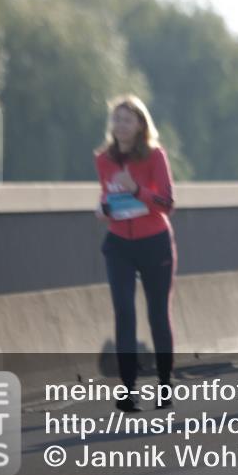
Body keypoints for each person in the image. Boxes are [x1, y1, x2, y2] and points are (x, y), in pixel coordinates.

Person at [95, 95, 177, 411]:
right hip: (118, 245)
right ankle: (128, 389)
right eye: (116, 119)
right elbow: (107, 197)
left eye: (127, 119)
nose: (120, 125)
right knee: (124, 313)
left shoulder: (155, 156)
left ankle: (165, 384)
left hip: (154, 241)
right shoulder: (103, 159)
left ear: (141, 125)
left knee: (157, 315)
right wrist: (103, 208)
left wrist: (136, 190)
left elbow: (167, 204)